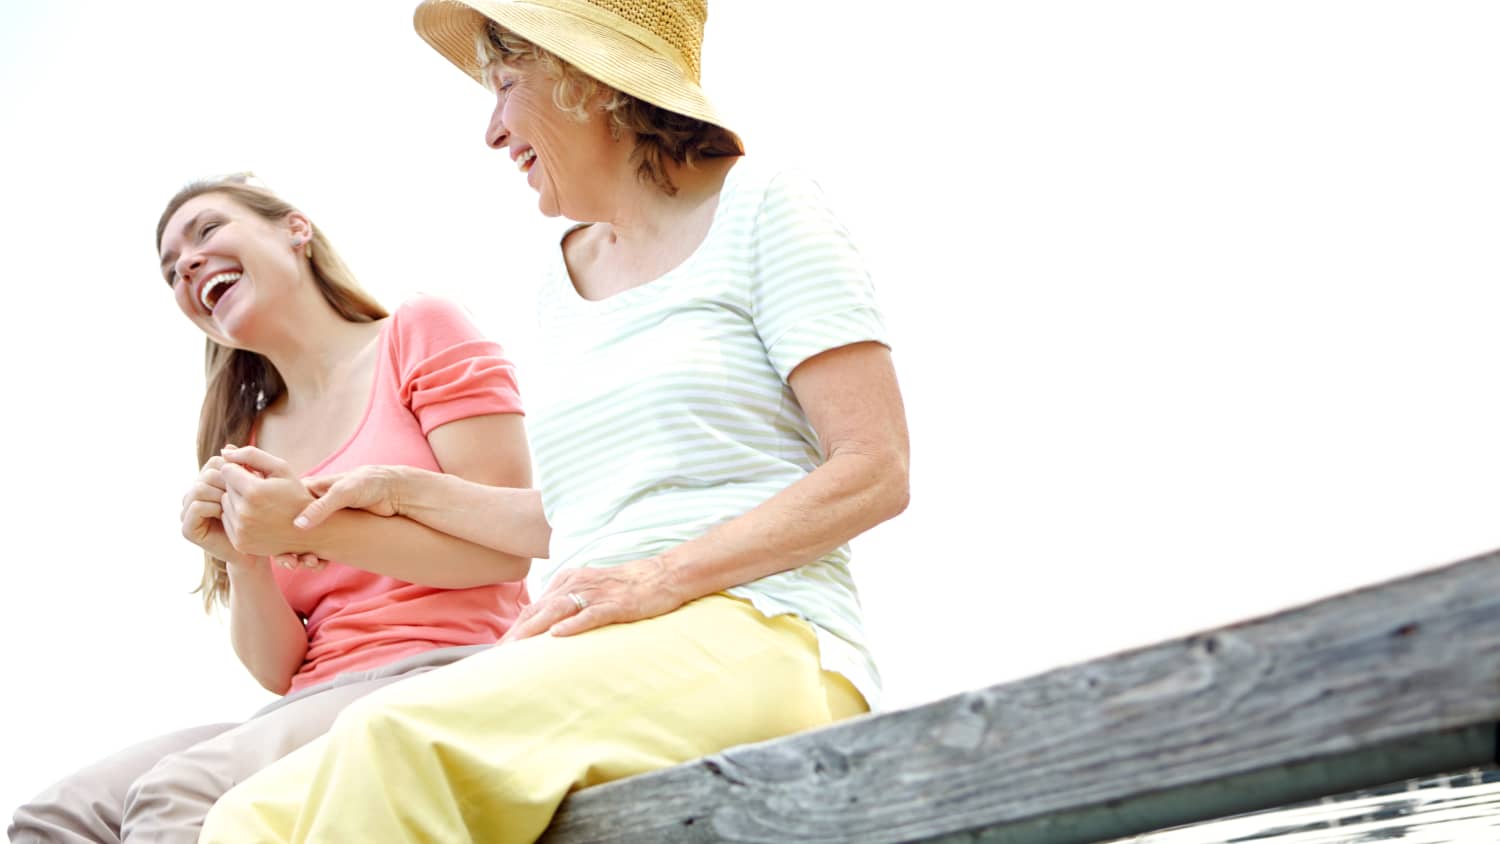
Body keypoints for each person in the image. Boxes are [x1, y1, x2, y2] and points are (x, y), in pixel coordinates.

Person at [200, 1, 910, 840]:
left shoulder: (764, 206)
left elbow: (875, 468)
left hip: (766, 628)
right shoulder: (560, 279)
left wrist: (657, 579)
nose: (492, 132)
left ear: (589, 81)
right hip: (595, 646)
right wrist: (397, 490)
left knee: (397, 739)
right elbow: (571, 515)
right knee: (252, 816)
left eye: (504, 84)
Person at [8, 174, 532, 844]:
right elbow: (278, 670)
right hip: (314, 701)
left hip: (452, 666)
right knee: (55, 819)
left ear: (295, 229)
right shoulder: (247, 441)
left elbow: (506, 547)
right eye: (170, 270)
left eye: (207, 231)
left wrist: (311, 527)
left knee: (178, 794)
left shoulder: (416, 332)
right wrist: (243, 558)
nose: (187, 264)